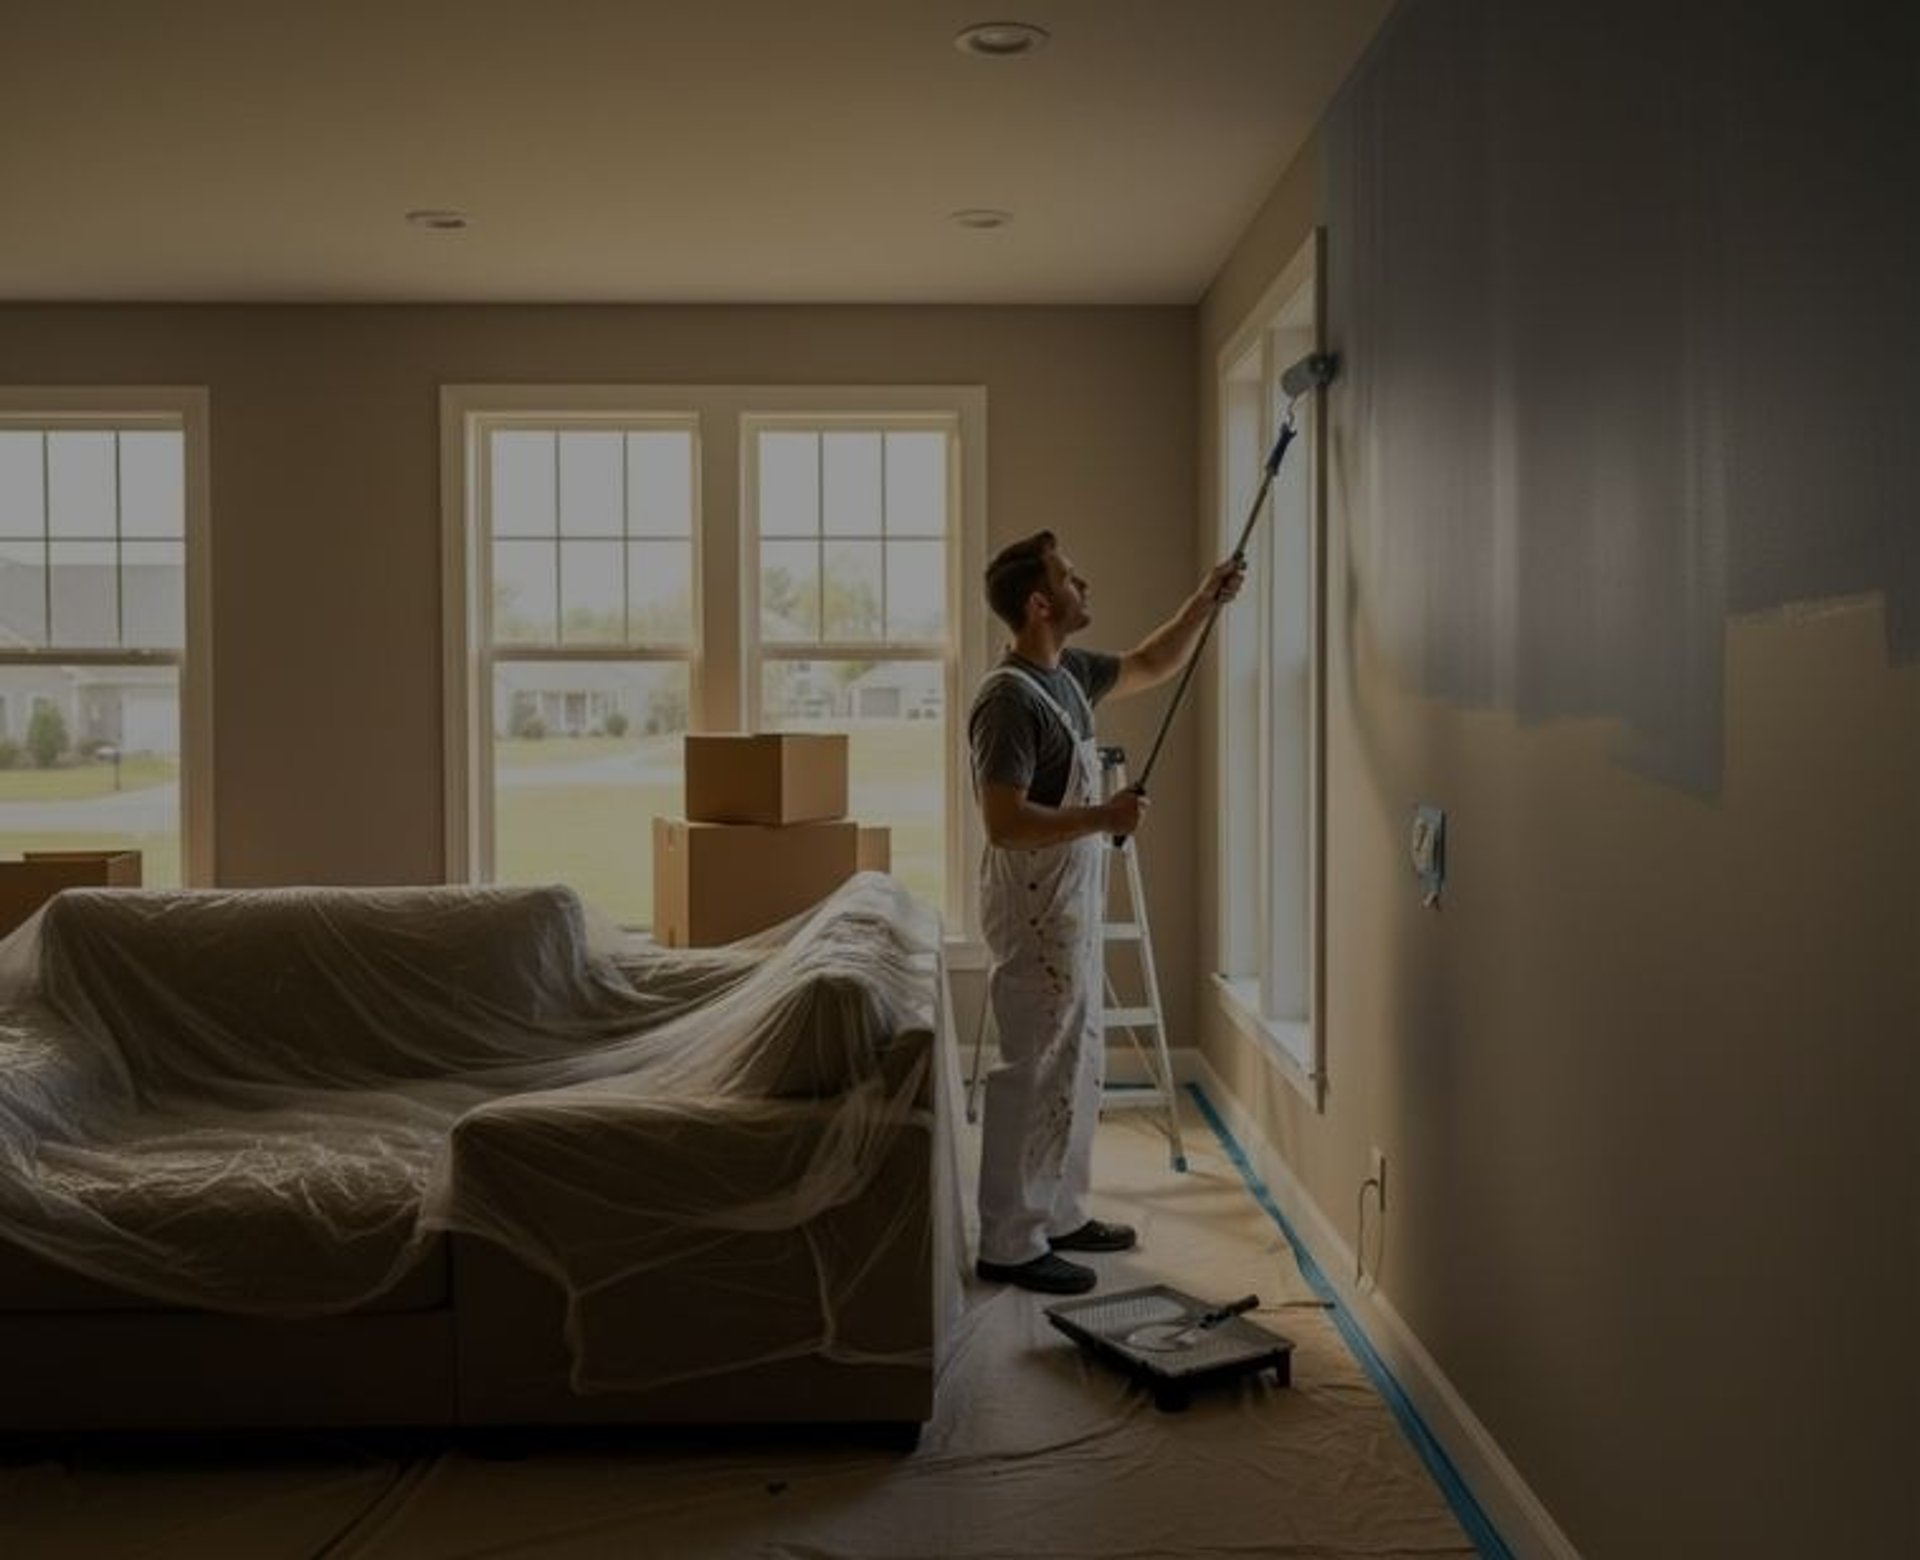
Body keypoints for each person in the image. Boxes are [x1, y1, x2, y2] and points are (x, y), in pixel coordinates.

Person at [968, 530, 1246, 1294]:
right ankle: (1010, 1241)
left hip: (1069, 899)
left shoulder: (1069, 675)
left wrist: (1204, 601)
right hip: (1033, 906)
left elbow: (1154, 663)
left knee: (1079, 1056)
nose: (1083, 583)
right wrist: (1105, 818)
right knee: (1034, 1066)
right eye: (1070, 577)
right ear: (1040, 602)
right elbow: (1004, 821)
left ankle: (1060, 1213)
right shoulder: (1008, 700)